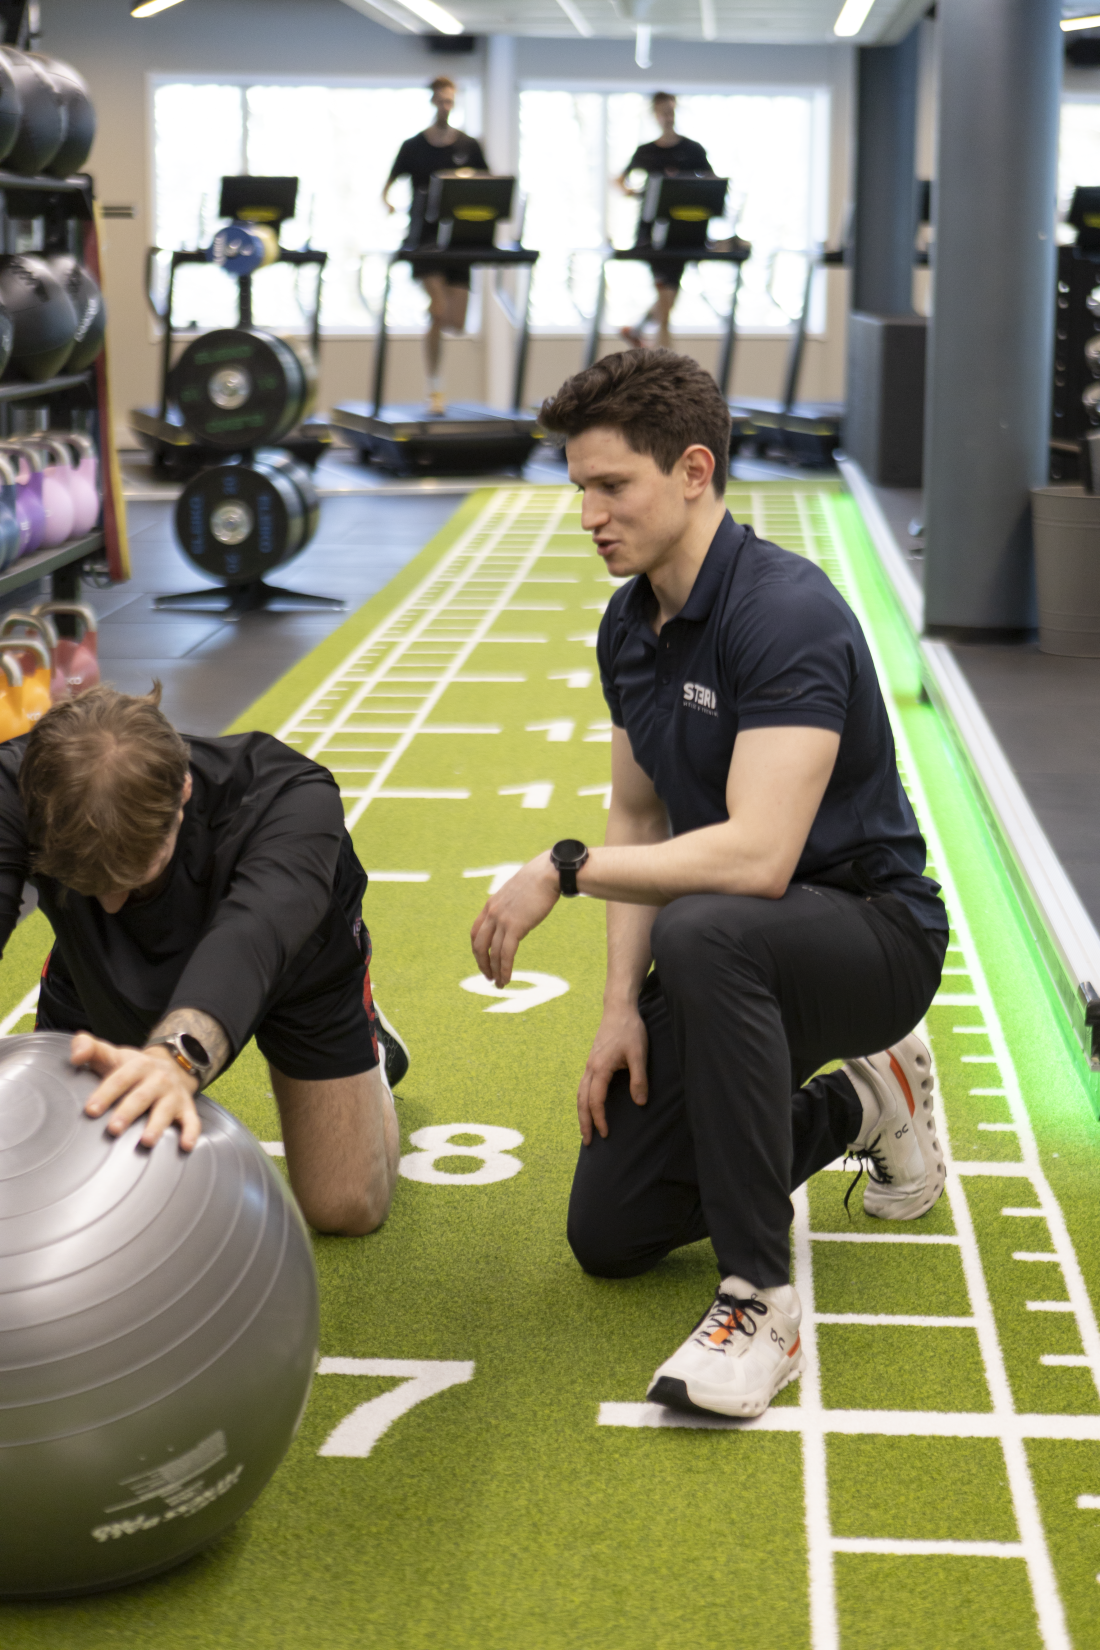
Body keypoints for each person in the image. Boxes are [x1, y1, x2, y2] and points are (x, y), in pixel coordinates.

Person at [469, 348, 948, 1421]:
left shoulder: (784, 611)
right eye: (579, 488)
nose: (588, 515)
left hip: (871, 936)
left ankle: (759, 1301)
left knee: (705, 929)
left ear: (693, 471)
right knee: (611, 1232)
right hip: (731, 945)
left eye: (611, 486)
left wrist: (561, 871)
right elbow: (639, 814)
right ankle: (865, 1101)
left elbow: (757, 858)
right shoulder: (626, 626)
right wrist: (615, 1012)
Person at [0, 684, 409, 1237]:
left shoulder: (292, 801)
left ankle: (371, 1055)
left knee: (344, 1208)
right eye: (91, 883)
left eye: (133, 874)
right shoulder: (18, 785)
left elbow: (252, 939)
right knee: (63, 1175)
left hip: (292, 959)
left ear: (184, 790)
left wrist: (175, 1060)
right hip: (101, 957)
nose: (112, 902)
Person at [383, 75, 489, 416]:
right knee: (440, 309)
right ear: (432, 101)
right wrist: (388, 204)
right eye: (440, 100)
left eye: (450, 101)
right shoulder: (413, 147)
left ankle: (436, 312)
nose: (445, 106)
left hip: (460, 240)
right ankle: (435, 390)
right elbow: (387, 187)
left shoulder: (469, 145)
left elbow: (489, 187)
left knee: (455, 322)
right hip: (424, 240)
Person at [616, 92, 712, 351]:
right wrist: (634, 193)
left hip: (683, 230)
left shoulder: (692, 150)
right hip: (652, 232)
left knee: (668, 295)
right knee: (666, 298)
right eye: (663, 112)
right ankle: (665, 358)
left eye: (671, 111)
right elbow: (620, 180)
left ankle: (637, 329)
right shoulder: (646, 152)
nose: (668, 117)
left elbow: (711, 183)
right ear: (655, 115)